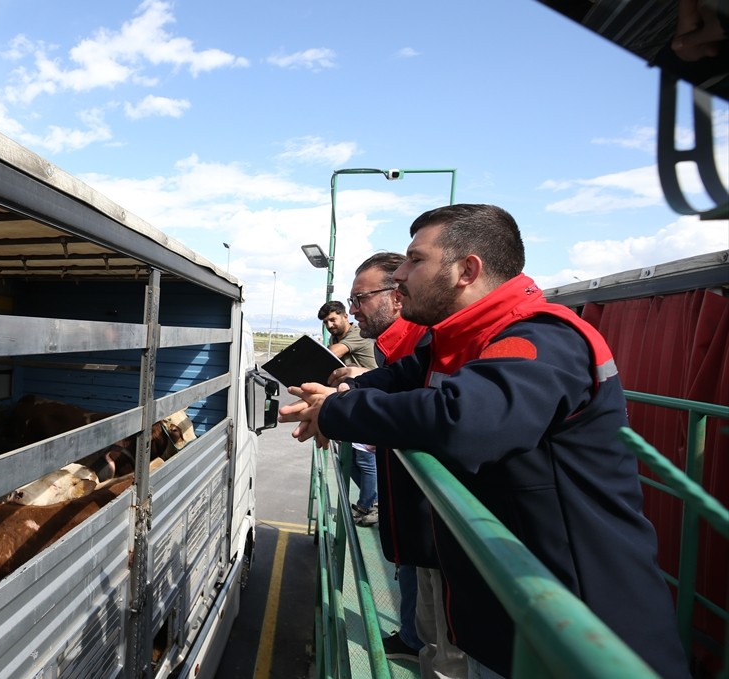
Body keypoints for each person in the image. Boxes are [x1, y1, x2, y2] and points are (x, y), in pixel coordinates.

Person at [280, 204, 689, 679]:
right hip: (509, 608)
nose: (401, 278)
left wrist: (335, 410)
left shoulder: (541, 336)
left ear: (466, 270)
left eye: (415, 261)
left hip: (579, 625)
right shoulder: (457, 341)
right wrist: (343, 393)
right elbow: (400, 376)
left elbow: (466, 421)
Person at [333, 252, 440, 671]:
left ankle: (419, 641)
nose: (353, 309)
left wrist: (341, 408)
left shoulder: (422, 342)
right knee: (415, 569)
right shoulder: (400, 348)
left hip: (434, 510)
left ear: (396, 298)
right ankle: (414, 638)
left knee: (430, 583)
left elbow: (433, 409)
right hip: (415, 502)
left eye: (360, 298)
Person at [316, 300, 378, 525]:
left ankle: (367, 505)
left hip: (369, 398)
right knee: (349, 459)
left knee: (364, 458)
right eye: (326, 322)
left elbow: (330, 355)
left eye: (333, 319)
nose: (330, 325)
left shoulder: (356, 334)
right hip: (353, 400)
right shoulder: (336, 337)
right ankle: (372, 500)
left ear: (345, 317)